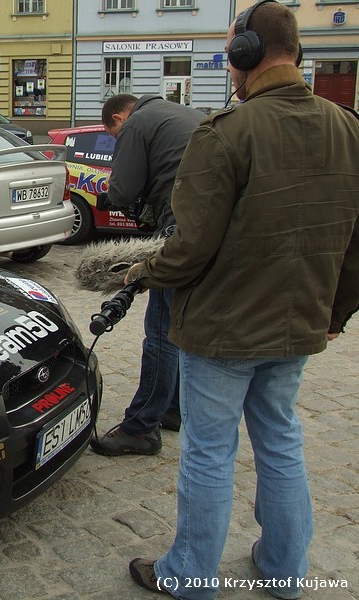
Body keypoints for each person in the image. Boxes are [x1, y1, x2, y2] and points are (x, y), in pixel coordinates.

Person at [124, 2, 358, 598]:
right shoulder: (349, 128)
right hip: (298, 324)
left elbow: (190, 247)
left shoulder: (226, 131)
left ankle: (191, 576)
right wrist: (334, 314)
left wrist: (141, 272)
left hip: (223, 329)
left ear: (245, 53)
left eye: (231, 48)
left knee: (209, 451)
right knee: (280, 441)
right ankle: (286, 569)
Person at [89, 93, 204, 457]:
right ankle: (173, 409)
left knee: (160, 331)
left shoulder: (136, 124)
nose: (116, 140)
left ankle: (141, 428)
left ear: (118, 119)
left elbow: (122, 191)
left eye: (113, 136)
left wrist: (108, 195)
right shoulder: (186, 112)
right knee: (179, 325)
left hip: (179, 230)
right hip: (209, 229)